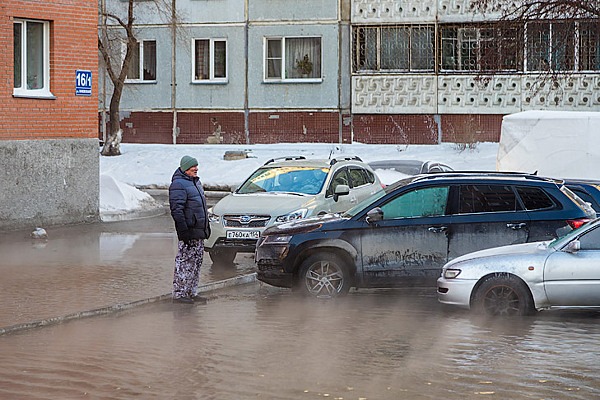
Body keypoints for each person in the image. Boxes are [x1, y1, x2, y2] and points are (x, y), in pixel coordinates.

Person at [168, 155, 211, 304]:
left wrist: (206, 227)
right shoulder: (178, 184)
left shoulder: (195, 183)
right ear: (185, 168)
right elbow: (177, 210)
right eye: (193, 167)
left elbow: (202, 208)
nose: (196, 169)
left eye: (197, 167)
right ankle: (180, 294)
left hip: (198, 232)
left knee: (196, 262)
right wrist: (183, 232)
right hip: (189, 232)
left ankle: (192, 291)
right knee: (185, 262)